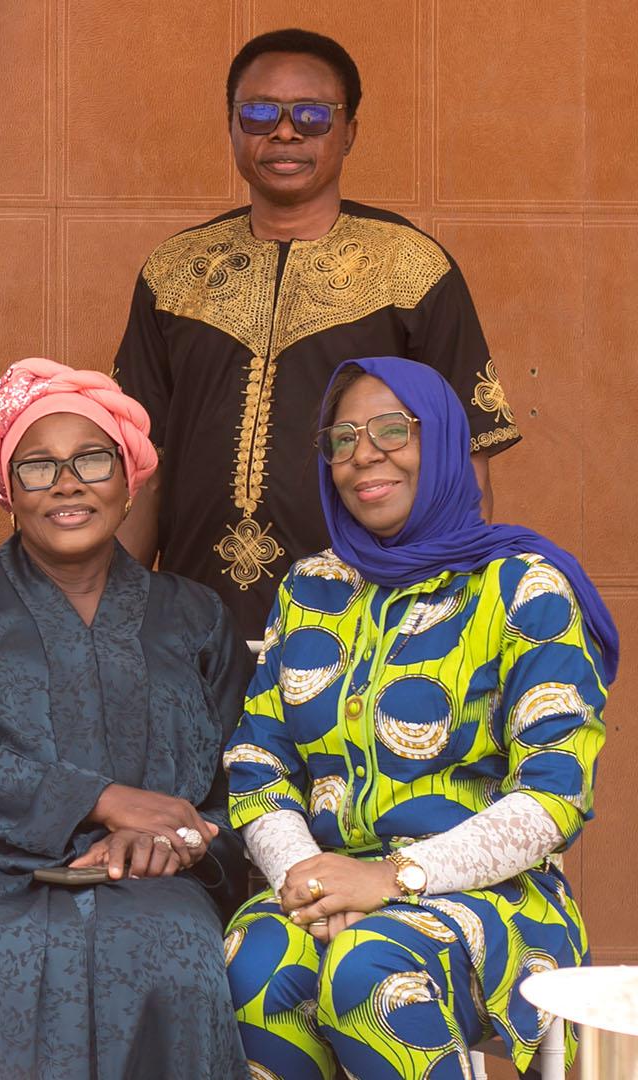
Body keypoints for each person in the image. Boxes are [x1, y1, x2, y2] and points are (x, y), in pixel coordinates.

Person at [223, 357, 614, 1078]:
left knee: (366, 968)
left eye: (391, 430)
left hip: (489, 897)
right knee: (255, 965)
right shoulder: (311, 588)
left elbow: (554, 796)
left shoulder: (522, 588)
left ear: (441, 441)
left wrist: (394, 878)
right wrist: (313, 881)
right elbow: (259, 763)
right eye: (342, 439)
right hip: (329, 884)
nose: (363, 454)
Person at [0, 358, 247, 1080]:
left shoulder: (194, 614)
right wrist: (98, 799)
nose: (67, 483)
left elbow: (242, 781)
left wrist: (183, 841)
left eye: (92, 460)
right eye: (37, 467)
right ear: (9, 491)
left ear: (129, 479)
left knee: (177, 961)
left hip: (146, 875)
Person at [114, 29, 520, 641]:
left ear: (349, 130)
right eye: (259, 114)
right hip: (192, 625)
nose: (285, 133)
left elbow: (466, 469)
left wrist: (436, 632)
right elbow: (142, 468)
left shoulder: (410, 268)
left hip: (364, 627)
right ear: (231, 125)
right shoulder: (175, 273)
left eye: (312, 115)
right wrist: (113, 626)